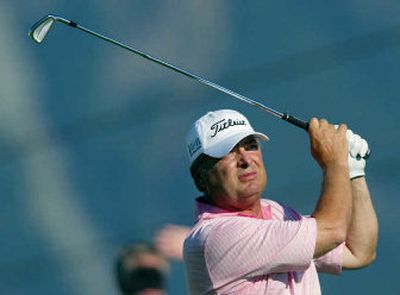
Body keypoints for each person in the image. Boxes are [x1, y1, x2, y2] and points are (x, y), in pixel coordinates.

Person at [182, 109, 378, 294]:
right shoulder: (214, 237)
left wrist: (354, 173)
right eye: (227, 152)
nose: (245, 160)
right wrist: (335, 163)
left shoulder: (277, 212)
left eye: (251, 146)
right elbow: (331, 231)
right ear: (201, 178)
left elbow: (358, 251)